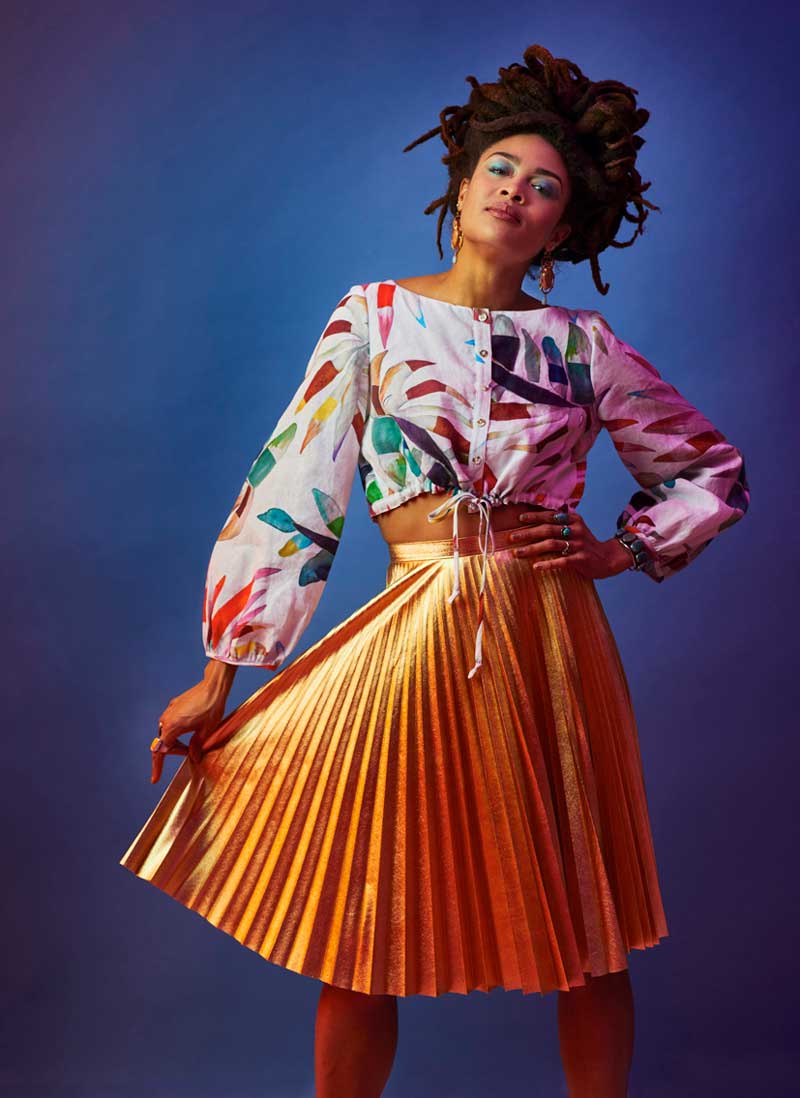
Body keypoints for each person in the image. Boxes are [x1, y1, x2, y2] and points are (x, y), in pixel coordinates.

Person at [119, 43, 749, 1098]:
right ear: (459, 186)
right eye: (500, 169)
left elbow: (708, 469)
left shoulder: (582, 345)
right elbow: (294, 486)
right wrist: (221, 671)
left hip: (552, 645)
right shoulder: (372, 317)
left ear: (562, 228)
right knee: (366, 918)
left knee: (588, 929)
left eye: (544, 186)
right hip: (412, 636)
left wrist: (622, 550)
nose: (515, 191)